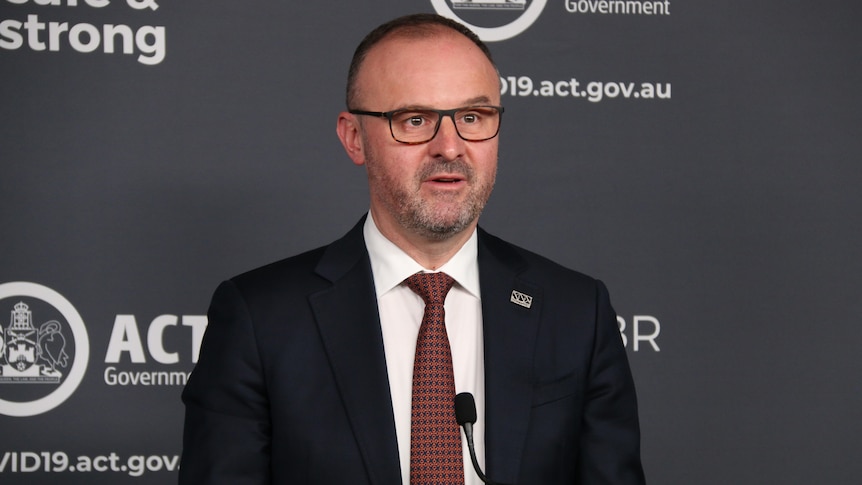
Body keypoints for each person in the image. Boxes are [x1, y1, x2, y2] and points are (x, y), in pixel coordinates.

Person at [179, 13, 645, 485]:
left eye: (472, 117)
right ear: (354, 137)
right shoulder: (260, 318)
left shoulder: (576, 312)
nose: (450, 146)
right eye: (415, 119)